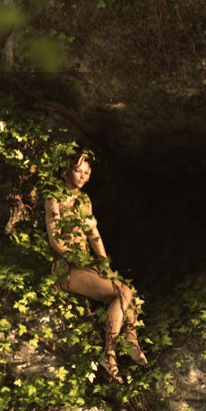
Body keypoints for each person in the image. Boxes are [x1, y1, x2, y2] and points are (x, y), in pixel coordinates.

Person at [43, 151, 147, 381]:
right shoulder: (54, 196)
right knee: (120, 292)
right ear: (67, 170)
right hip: (67, 267)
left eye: (87, 173)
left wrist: (103, 263)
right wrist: (76, 258)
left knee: (126, 290)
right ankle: (111, 354)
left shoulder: (84, 200)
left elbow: (93, 234)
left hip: (86, 264)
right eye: (78, 171)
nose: (82, 176)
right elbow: (55, 239)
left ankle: (128, 342)